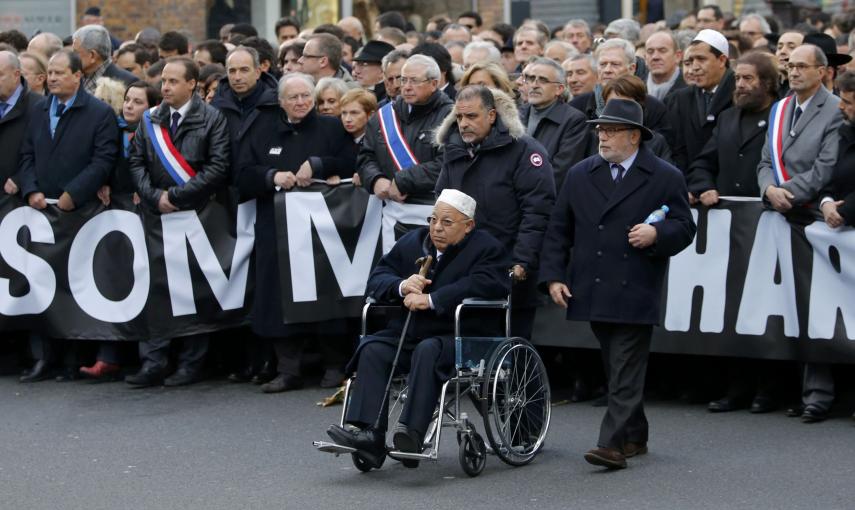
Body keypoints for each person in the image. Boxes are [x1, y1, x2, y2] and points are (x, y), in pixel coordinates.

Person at [539, 98, 696, 470]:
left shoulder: (664, 175)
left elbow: (685, 226)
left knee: (625, 363)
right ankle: (635, 434)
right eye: (599, 129)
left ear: (634, 137)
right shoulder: (581, 173)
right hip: (592, 284)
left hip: (636, 284)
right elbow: (559, 228)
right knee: (616, 363)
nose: (602, 136)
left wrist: (656, 232)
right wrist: (554, 276)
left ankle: (610, 444)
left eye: (610, 130)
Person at [326, 189, 511, 469]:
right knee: (373, 348)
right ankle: (369, 433)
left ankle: (411, 433)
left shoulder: (487, 248)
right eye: (433, 219)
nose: (437, 227)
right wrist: (402, 286)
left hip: (460, 334)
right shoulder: (414, 242)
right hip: (410, 331)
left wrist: (434, 299)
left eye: (447, 223)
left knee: (428, 350)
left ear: (469, 226)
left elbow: (486, 284)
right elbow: (377, 277)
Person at [237, 73, 357, 392]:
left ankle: (334, 365)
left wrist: (318, 165)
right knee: (278, 296)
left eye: (306, 96)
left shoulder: (331, 128)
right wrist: (273, 175)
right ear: (281, 102)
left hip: (324, 229)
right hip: (277, 229)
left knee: (326, 294)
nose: (301, 102)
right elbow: (243, 173)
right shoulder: (261, 129)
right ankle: (287, 368)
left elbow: (351, 161)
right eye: (294, 97)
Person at [126, 57, 230, 388]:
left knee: (192, 291)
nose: (166, 87)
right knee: (155, 290)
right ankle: (153, 361)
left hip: (196, 216)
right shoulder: (150, 120)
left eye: (173, 81)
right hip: (156, 216)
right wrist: (155, 196)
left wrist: (177, 196)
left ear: (192, 85)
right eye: (164, 81)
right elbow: (137, 162)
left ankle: (190, 362)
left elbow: (217, 166)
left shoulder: (211, 118)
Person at [17, 50, 119, 383]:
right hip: (40, 211)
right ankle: (43, 357)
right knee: (41, 286)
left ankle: (74, 359)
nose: (54, 78)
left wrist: (74, 194)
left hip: (78, 212)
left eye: (61, 72)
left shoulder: (99, 113)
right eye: (50, 72)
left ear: (78, 76)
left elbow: (103, 160)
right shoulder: (39, 109)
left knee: (73, 287)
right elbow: (27, 153)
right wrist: (30, 189)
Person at [756, 44, 843, 423]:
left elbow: (827, 167)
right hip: (778, 216)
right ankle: (795, 389)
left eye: (802, 66)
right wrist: (767, 190)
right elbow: (764, 162)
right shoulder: (780, 109)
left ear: (823, 71)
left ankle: (819, 395)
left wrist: (787, 193)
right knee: (784, 307)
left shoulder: (836, 110)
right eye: (790, 66)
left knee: (816, 308)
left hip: (812, 221)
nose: (793, 72)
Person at [435, 85, 555, 339]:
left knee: (511, 348)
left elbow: (537, 211)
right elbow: (442, 204)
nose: (464, 123)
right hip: (464, 267)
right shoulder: (453, 149)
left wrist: (522, 260)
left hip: (508, 263)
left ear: (491, 116)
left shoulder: (524, 150)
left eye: (472, 116)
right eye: (459, 117)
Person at [358, 54, 453, 207]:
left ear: (434, 84)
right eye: (404, 80)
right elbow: (366, 157)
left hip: (432, 210)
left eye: (414, 81)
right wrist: (375, 178)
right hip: (390, 211)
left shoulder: (450, 117)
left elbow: (448, 164)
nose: (407, 86)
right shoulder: (384, 115)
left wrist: (403, 180)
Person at [687, 52, 777, 204]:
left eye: (748, 78)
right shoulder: (727, 118)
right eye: (737, 78)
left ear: (767, 83)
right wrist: (705, 187)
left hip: (767, 213)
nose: (740, 84)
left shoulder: (782, 116)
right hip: (726, 215)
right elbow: (703, 163)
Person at [570, 39, 673, 156]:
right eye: (603, 64)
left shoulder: (654, 107)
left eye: (615, 64)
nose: (607, 70)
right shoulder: (577, 106)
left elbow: (661, 150)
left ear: (632, 68)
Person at [666, 29, 735, 173]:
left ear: (722, 60)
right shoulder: (680, 99)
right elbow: (676, 149)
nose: (694, 67)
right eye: (690, 61)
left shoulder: (739, 95)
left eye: (701, 59)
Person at [518, 57, 588, 189]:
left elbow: (560, 171)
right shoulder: (516, 115)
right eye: (531, 79)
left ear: (559, 89)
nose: (534, 85)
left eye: (543, 80)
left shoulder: (574, 121)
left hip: (546, 199)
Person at [211, 46, 278, 178]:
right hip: (225, 188)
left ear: (258, 72)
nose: (237, 77)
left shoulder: (277, 104)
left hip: (265, 185)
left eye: (244, 70)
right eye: (232, 71)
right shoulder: (215, 107)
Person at [0, 51, 45, 196]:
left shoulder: (40, 106)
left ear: (16, 75)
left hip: (22, 199)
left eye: (0, 75)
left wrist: (20, 179)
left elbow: (47, 153)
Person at [822, 71, 855, 231]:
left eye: (846, 102)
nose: (840, 106)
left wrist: (844, 211)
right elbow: (830, 177)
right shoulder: (844, 132)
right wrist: (826, 203)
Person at [72, 25, 137, 93]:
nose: (72, 57)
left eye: (76, 52)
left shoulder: (128, 83)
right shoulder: (74, 78)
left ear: (92, 56)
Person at [644, 31, 687, 101]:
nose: (655, 57)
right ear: (645, 58)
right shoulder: (635, 90)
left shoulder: (692, 88)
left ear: (678, 56)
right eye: (650, 52)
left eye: (662, 51)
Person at [776, 31, 805, 97]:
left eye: (791, 47)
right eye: (779, 47)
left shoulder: (805, 91)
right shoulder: (768, 89)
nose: (782, 52)